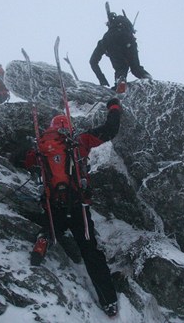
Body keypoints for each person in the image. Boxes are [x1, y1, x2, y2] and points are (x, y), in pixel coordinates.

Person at [24, 98, 123, 317]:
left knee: (53, 225)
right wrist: (114, 107)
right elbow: (110, 129)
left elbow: (24, 161)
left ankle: (44, 237)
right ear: (68, 128)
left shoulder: (41, 147)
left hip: (52, 205)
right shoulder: (80, 141)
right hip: (78, 205)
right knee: (90, 252)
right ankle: (108, 302)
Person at [90, 11, 152, 91]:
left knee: (121, 68)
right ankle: (148, 79)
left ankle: (120, 81)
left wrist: (102, 80)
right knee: (136, 68)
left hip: (110, 43)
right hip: (129, 41)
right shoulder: (127, 32)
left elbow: (93, 61)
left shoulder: (105, 39)